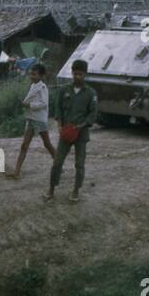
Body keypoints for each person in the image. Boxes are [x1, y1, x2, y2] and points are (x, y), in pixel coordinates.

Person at [44, 59, 98, 203]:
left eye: (80, 74)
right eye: (75, 74)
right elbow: (58, 108)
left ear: (85, 74)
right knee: (57, 162)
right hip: (66, 133)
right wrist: (60, 125)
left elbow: (93, 113)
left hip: (81, 134)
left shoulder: (91, 93)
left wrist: (81, 126)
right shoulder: (64, 90)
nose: (77, 77)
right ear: (72, 73)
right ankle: (51, 189)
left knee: (79, 164)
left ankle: (76, 190)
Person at [7, 63, 54, 179]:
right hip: (31, 118)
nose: (31, 76)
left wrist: (29, 104)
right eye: (30, 74)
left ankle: (58, 165)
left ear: (41, 75)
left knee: (47, 144)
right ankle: (16, 171)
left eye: (34, 74)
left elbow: (43, 104)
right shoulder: (34, 85)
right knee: (24, 145)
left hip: (39, 119)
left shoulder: (42, 87)